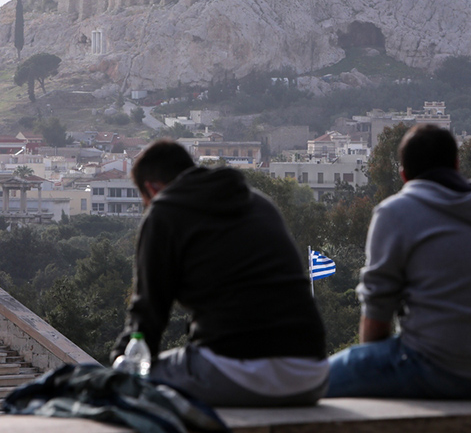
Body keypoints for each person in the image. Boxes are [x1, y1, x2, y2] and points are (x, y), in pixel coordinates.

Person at [111, 139, 328, 406]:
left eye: (145, 202)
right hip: (312, 373)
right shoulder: (259, 202)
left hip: (235, 372)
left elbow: (147, 315)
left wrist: (119, 365)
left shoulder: (164, 212)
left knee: (127, 383)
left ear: (152, 188)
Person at [326, 124, 471, 399]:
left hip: (434, 369)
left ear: (404, 174)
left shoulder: (396, 213)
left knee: (310, 382)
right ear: (456, 164)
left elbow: (377, 311)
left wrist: (372, 378)